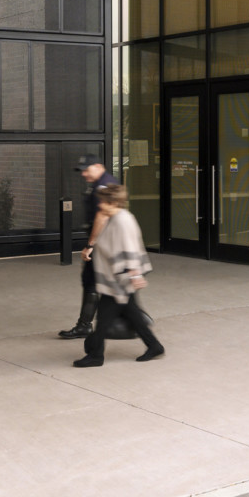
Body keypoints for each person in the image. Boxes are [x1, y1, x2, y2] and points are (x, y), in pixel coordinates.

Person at [73, 183, 163, 367]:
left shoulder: (123, 221)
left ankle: (96, 354)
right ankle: (154, 345)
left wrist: (134, 275)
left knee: (104, 318)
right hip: (116, 278)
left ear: (113, 202)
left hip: (119, 279)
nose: (100, 205)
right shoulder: (115, 217)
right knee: (131, 314)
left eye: (103, 202)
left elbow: (130, 248)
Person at [59, 155, 118, 340]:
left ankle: (86, 326)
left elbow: (102, 216)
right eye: (82, 170)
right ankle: (86, 325)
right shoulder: (101, 183)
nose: (84, 174)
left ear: (99, 166)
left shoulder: (105, 184)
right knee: (94, 282)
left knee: (95, 282)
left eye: (87, 169)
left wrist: (90, 245)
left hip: (103, 243)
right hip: (105, 242)